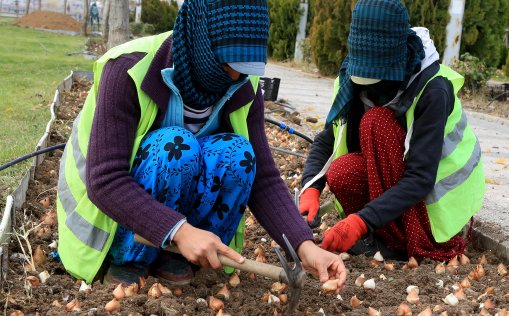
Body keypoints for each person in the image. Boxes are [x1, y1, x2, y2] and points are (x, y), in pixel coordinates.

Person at [56, 0, 346, 290]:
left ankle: (180, 257)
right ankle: (130, 260)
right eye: (225, 64)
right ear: (200, 40)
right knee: (176, 147)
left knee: (238, 155)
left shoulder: (244, 83)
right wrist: (179, 230)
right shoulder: (128, 69)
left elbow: (264, 179)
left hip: (178, 232)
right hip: (108, 228)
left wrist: (304, 245)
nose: (234, 77)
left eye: (242, 67)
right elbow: (105, 180)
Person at [300, 0, 485, 262]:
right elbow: (328, 139)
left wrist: (361, 221)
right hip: (396, 192)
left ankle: (401, 243)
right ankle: (379, 240)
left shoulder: (432, 90)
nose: (370, 88)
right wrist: (311, 187)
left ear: (396, 64)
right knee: (342, 172)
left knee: (376, 122)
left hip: (434, 208)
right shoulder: (351, 80)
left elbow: (420, 178)